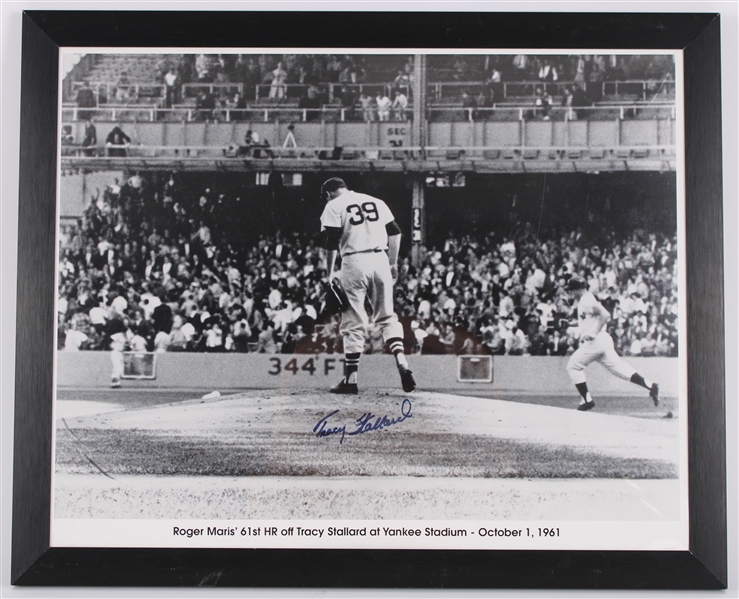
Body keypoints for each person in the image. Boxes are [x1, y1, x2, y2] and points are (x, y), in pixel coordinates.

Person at [319, 177, 415, 394]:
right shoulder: (376, 201)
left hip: (354, 261)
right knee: (387, 316)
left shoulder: (333, 205)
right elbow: (395, 231)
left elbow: (331, 241)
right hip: (380, 258)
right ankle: (402, 361)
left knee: (353, 320)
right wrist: (392, 263)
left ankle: (350, 380)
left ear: (328, 193)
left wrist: (328, 274)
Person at [565, 276, 659, 411]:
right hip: (603, 341)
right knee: (619, 369)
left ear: (578, 289)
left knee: (573, 366)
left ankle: (587, 400)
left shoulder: (586, 301)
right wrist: (570, 324)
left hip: (596, 342)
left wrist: (594, 332)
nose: (570, 293)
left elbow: (606, 315)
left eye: (572, 290)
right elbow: (589, 320)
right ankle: (651, 385)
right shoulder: (586, 299)